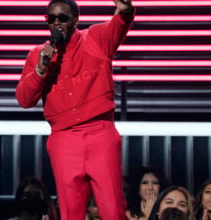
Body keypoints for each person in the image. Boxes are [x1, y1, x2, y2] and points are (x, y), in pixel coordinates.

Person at [15, 0, 135, 219]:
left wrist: (125, 11)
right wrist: (41, 69)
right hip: (63, 138)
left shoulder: (96, 38)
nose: (56, 23)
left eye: (63, 18)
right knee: (71, 211)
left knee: (112, 209)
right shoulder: (38, 54)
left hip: (99, 132)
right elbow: (24, 99)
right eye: (51, 19)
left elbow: (119, 25)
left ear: (76, 20)